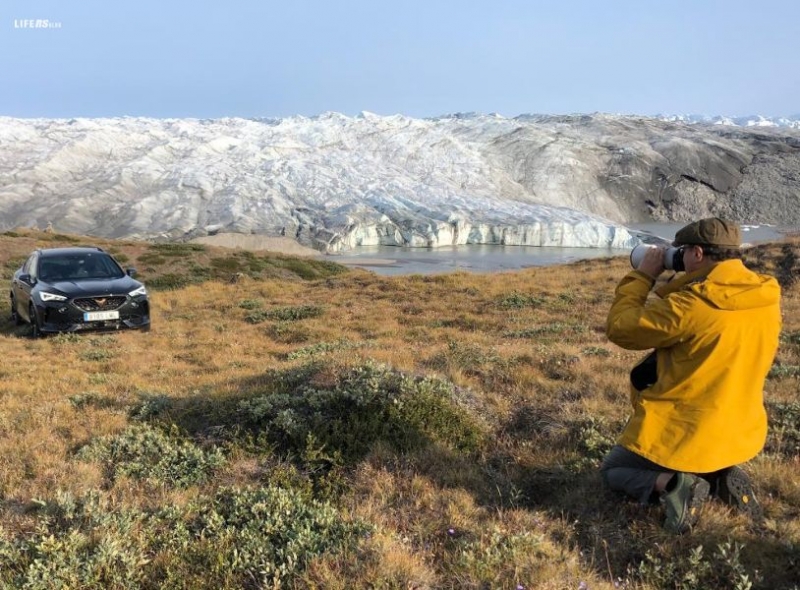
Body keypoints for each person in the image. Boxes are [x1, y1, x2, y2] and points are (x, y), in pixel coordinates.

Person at [601, 217, 782, 533]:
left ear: (697, 254)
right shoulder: (765, 294)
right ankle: (720, 476)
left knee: (614, 469)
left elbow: (622, 328)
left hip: (688, 431)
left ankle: (674, 484)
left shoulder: (693, 304)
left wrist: (643, 275)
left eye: (681, 252)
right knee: (710, 446)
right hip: (739, 429)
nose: (678, 257)